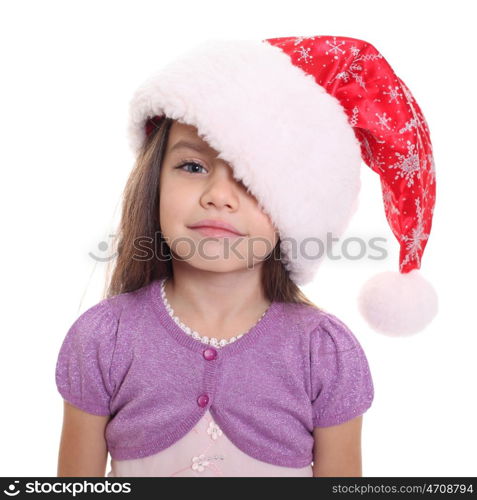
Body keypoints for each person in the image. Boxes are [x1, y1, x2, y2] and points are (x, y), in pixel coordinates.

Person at [55, 34, 437, 477]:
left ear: (299, 208)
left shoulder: (323, 352)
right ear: (155, 180)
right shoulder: (105, 338)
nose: (219, 196)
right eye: (193, 166)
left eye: (252, 179)